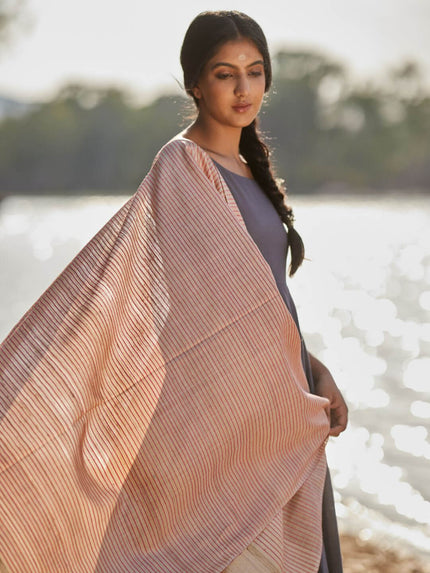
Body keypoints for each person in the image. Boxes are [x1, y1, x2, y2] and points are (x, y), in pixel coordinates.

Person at [0, 10, 347, 573]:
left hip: (282, 394)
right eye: (224, 73)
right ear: (194, 82)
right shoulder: (184, 165)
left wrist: (316, 371)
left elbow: (262, 305)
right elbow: (206, 313)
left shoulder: (248, 168)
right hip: (229, 413)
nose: (242, 89)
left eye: (255, 72)